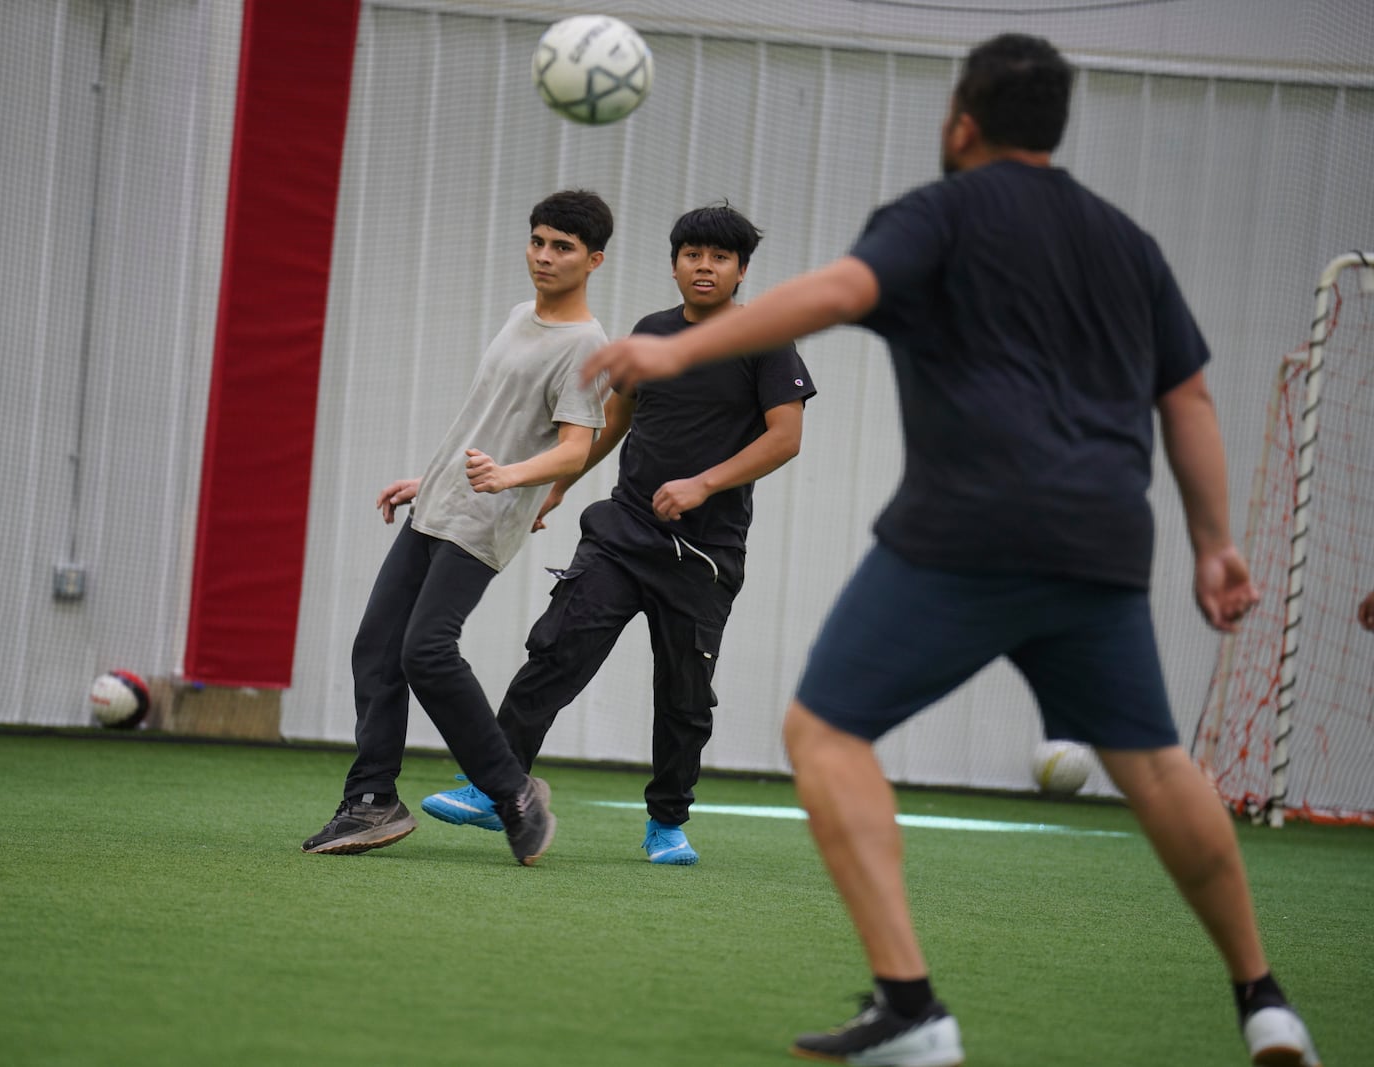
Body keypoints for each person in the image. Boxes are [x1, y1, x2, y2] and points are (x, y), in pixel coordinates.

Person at [582, 34, 1320, 1067]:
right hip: (1104, 535)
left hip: (967, 529)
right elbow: (1187, 395)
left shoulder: (938, 212)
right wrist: (1214, 544)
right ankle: (1266, 999)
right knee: (1155, 763)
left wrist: (675, 344)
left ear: (961, 121)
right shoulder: (1125, 241)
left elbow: (837, 293)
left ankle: (912, 1006)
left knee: (826, 732)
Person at [419, 202, 816, 865]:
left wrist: (704, 484)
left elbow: (786, 437)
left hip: (703, 557)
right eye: (692, 254)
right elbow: (615, 417)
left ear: (742, 270)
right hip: (621, 533)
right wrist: (563, 482)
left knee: (685, 696)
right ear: (674, 264)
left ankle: (666, 823)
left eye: (719, 258)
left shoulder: (766, 341)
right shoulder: (650, 333)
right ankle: (495, 787)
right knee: (557, 649)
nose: (704, 267)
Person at [301, 189, 613, 867]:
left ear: (594, 260)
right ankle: (372, 799)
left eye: (562, 247)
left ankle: (513, 795)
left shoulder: (589, 346)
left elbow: (575, 447)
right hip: (442, 500)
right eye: (537, 241)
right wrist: (432, 476)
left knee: (427, 650)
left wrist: (510, 479)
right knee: (377, 646)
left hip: (488, 515)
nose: (544, 256)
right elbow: (486, 418)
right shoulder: (517, 317)